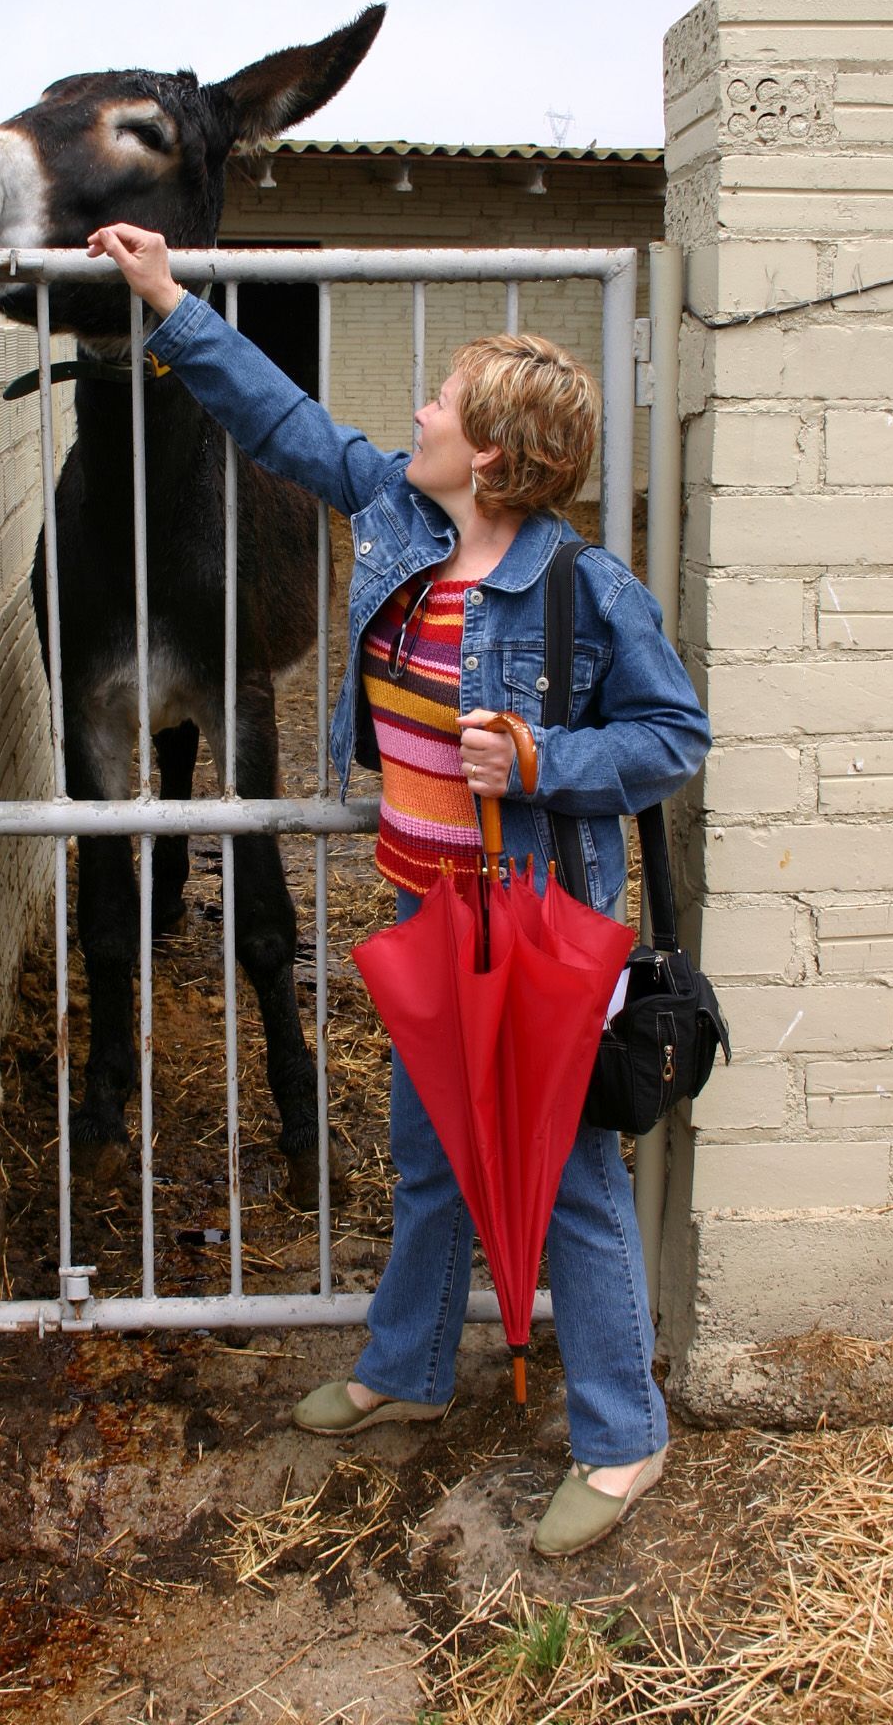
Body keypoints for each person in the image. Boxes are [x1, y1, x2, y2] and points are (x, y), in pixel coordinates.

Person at [85, 222, 712, 1560]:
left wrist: (541, 759)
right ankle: (408, 1370)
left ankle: (623, 1434)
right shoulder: (399, 519)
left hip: (534, 926)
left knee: (569, 1182)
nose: (416, 413)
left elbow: (674, 737)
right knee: (427, 1158)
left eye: (441, 400)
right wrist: (167, 300)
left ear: (492, 450)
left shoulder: (587, 590)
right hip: (429, 916)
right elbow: (285, 422)